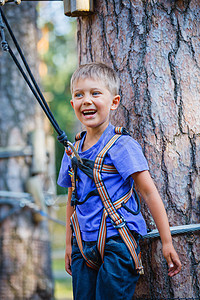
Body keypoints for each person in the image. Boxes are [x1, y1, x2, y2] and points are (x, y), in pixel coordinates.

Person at [57, 62, 181, 300]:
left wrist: (167, 242)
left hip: (117, 242)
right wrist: (68, 245)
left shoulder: (121, 146)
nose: (86, 100)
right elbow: (72, 199)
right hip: (83, 246)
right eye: (79, 95)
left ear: (113, 102)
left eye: (95, 93)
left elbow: (149, 192)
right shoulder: (71, 151)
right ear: (73, 104)